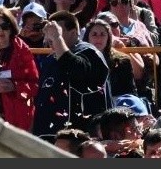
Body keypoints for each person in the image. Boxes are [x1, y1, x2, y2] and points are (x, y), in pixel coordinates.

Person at [32, 11, 111, 141]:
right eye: (49, 32)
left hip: (81, 137)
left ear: (73, 32)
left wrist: (58, 38)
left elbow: (77, 69)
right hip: (49, 135)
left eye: (57, 31)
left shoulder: (89, 51)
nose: (50, 37)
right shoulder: (50, 60)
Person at [83, 15, 138, 99]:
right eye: (94, 34)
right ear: (88, 38)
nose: (98, 38)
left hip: (119, 104)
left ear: (108, 38)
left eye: (102, 34)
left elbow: (130, 91)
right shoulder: (81, 60)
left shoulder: (122, 61)